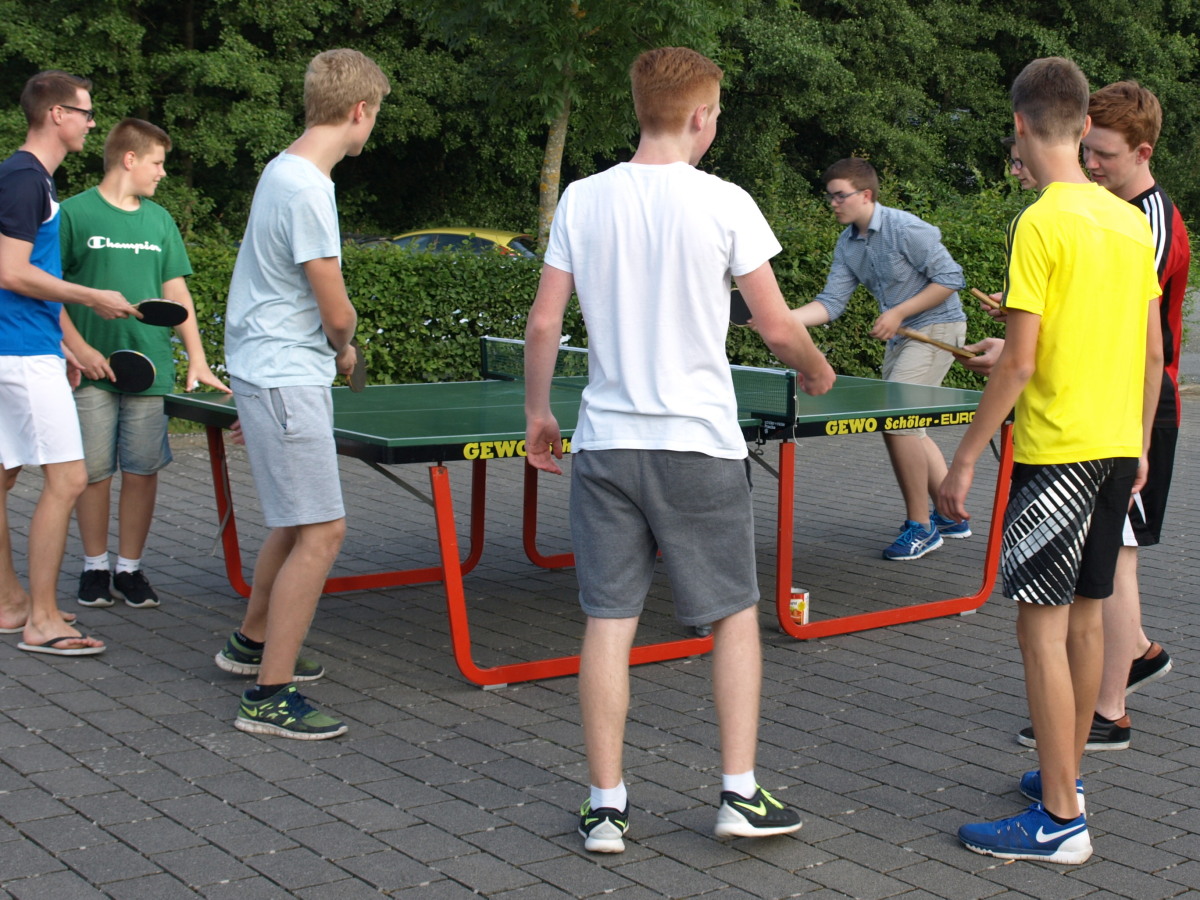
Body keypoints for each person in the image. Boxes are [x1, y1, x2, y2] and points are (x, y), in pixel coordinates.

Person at [525, 46, 835, 854]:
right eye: (718, 113)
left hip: (606, 443)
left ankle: (605, 807)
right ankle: (738, 794)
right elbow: (776, 325)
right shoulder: (726, 202)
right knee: (733, 618)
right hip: (697, 443)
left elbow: (544, 321)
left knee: (608, 620)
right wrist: (815, 367)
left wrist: (538, 412)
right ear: (701, 116)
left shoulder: (583, 199)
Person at [939, 57, 1162, 864]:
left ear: (1021, 125)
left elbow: (1021, 363)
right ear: (1082, 123)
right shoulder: (1126, 221)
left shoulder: (1039, 222)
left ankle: (1061, 819)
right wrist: (1140, 443)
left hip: (1056, 455)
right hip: (1113, 449)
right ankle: (1066, 777)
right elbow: (1151, 352)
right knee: (1087, 619)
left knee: (1040, 629)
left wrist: (964, 459)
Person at [1007, 82, 1186, 753]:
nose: (1095, 163)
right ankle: (1125, 669)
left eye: (1106, 153)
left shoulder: (1140, 221)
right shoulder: (1115, 214)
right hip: (1113, 417)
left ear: (1142, 153)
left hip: (1119, 417)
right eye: (1093, 149)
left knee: (1107, 576)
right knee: (1098, 586)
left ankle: (1108, 712)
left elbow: (1136, 341)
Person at [216, 49, 389, 739]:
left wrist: (331, 345)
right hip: (286, 373)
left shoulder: (280, 168)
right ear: (359, 111)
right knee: (323, 530)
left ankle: (252, 643)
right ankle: (268, 695)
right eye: (375, 114)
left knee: (294, 522)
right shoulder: (310, 188)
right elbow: (335, 308)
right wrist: (345, 343)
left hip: (267, 366)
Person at [59, 118, 229, 612]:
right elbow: (49, 291)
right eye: (157, 162)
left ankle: (129, 569)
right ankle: (94, 567)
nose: (162, 172)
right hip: (91, 369)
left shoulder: (160, 221)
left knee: (141, 471)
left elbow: (176, 292)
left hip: (151, 370)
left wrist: (197, 357)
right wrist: (78, 349)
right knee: (94, 473)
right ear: (129, 159)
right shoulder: (72, 214)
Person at [0, 70, 139, 655]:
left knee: (5, 475)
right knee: (70, 479)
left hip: (26, 346)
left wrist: (68, 344)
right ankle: (43, 620)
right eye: (84, 112)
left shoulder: (26, 177)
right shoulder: (26, 178)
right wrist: (92, 297)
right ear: (56, 114)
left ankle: (11, 603)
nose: (91, 122)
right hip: (19, 354)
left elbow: (30, 275)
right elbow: (12, 271)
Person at [789, 158, 970, 561]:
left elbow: (951, 278)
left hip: (937, 329)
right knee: (910, 426)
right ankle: (950, 515)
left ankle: (921, 527)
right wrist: (782, 319)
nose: (833, 203)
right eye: (830, 196)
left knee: (898, 421)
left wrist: (898, 312)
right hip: (903, 336)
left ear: (866, 195)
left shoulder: (906, 228)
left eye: (840, 196)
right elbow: (831, 303)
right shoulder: (848, 244)